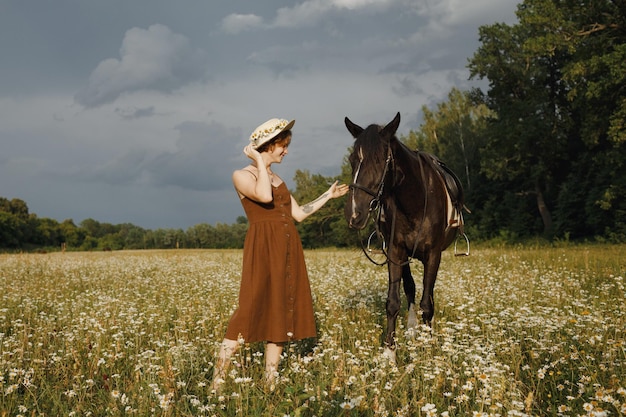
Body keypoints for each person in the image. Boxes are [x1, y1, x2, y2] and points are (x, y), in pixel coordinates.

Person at [211, 118, 349, 391]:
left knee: (282, 310)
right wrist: (258, 161)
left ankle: (270, 382)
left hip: (287, 247)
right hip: (263, 248)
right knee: (248, 310)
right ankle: (216, 383)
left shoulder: (278, 178)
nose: (286, 151)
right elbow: (263, 196)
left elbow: (297, 213)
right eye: (282, 146)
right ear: (267, 145)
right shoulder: (242, 175)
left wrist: (327, 196)